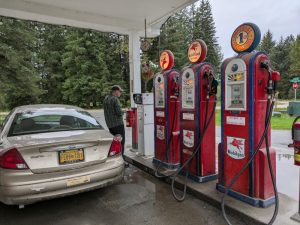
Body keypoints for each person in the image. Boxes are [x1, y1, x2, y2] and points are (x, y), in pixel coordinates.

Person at [103, 85, 126, 157]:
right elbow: (119, 112)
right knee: (121, 142)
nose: (120, 93)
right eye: (119, 91)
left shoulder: (106, 99)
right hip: (118, 125)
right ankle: (121, 159)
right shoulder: (115, 99)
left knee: (114, 142)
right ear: (115, 92)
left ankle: (114, 157)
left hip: (110, 125)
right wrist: (124, 111)